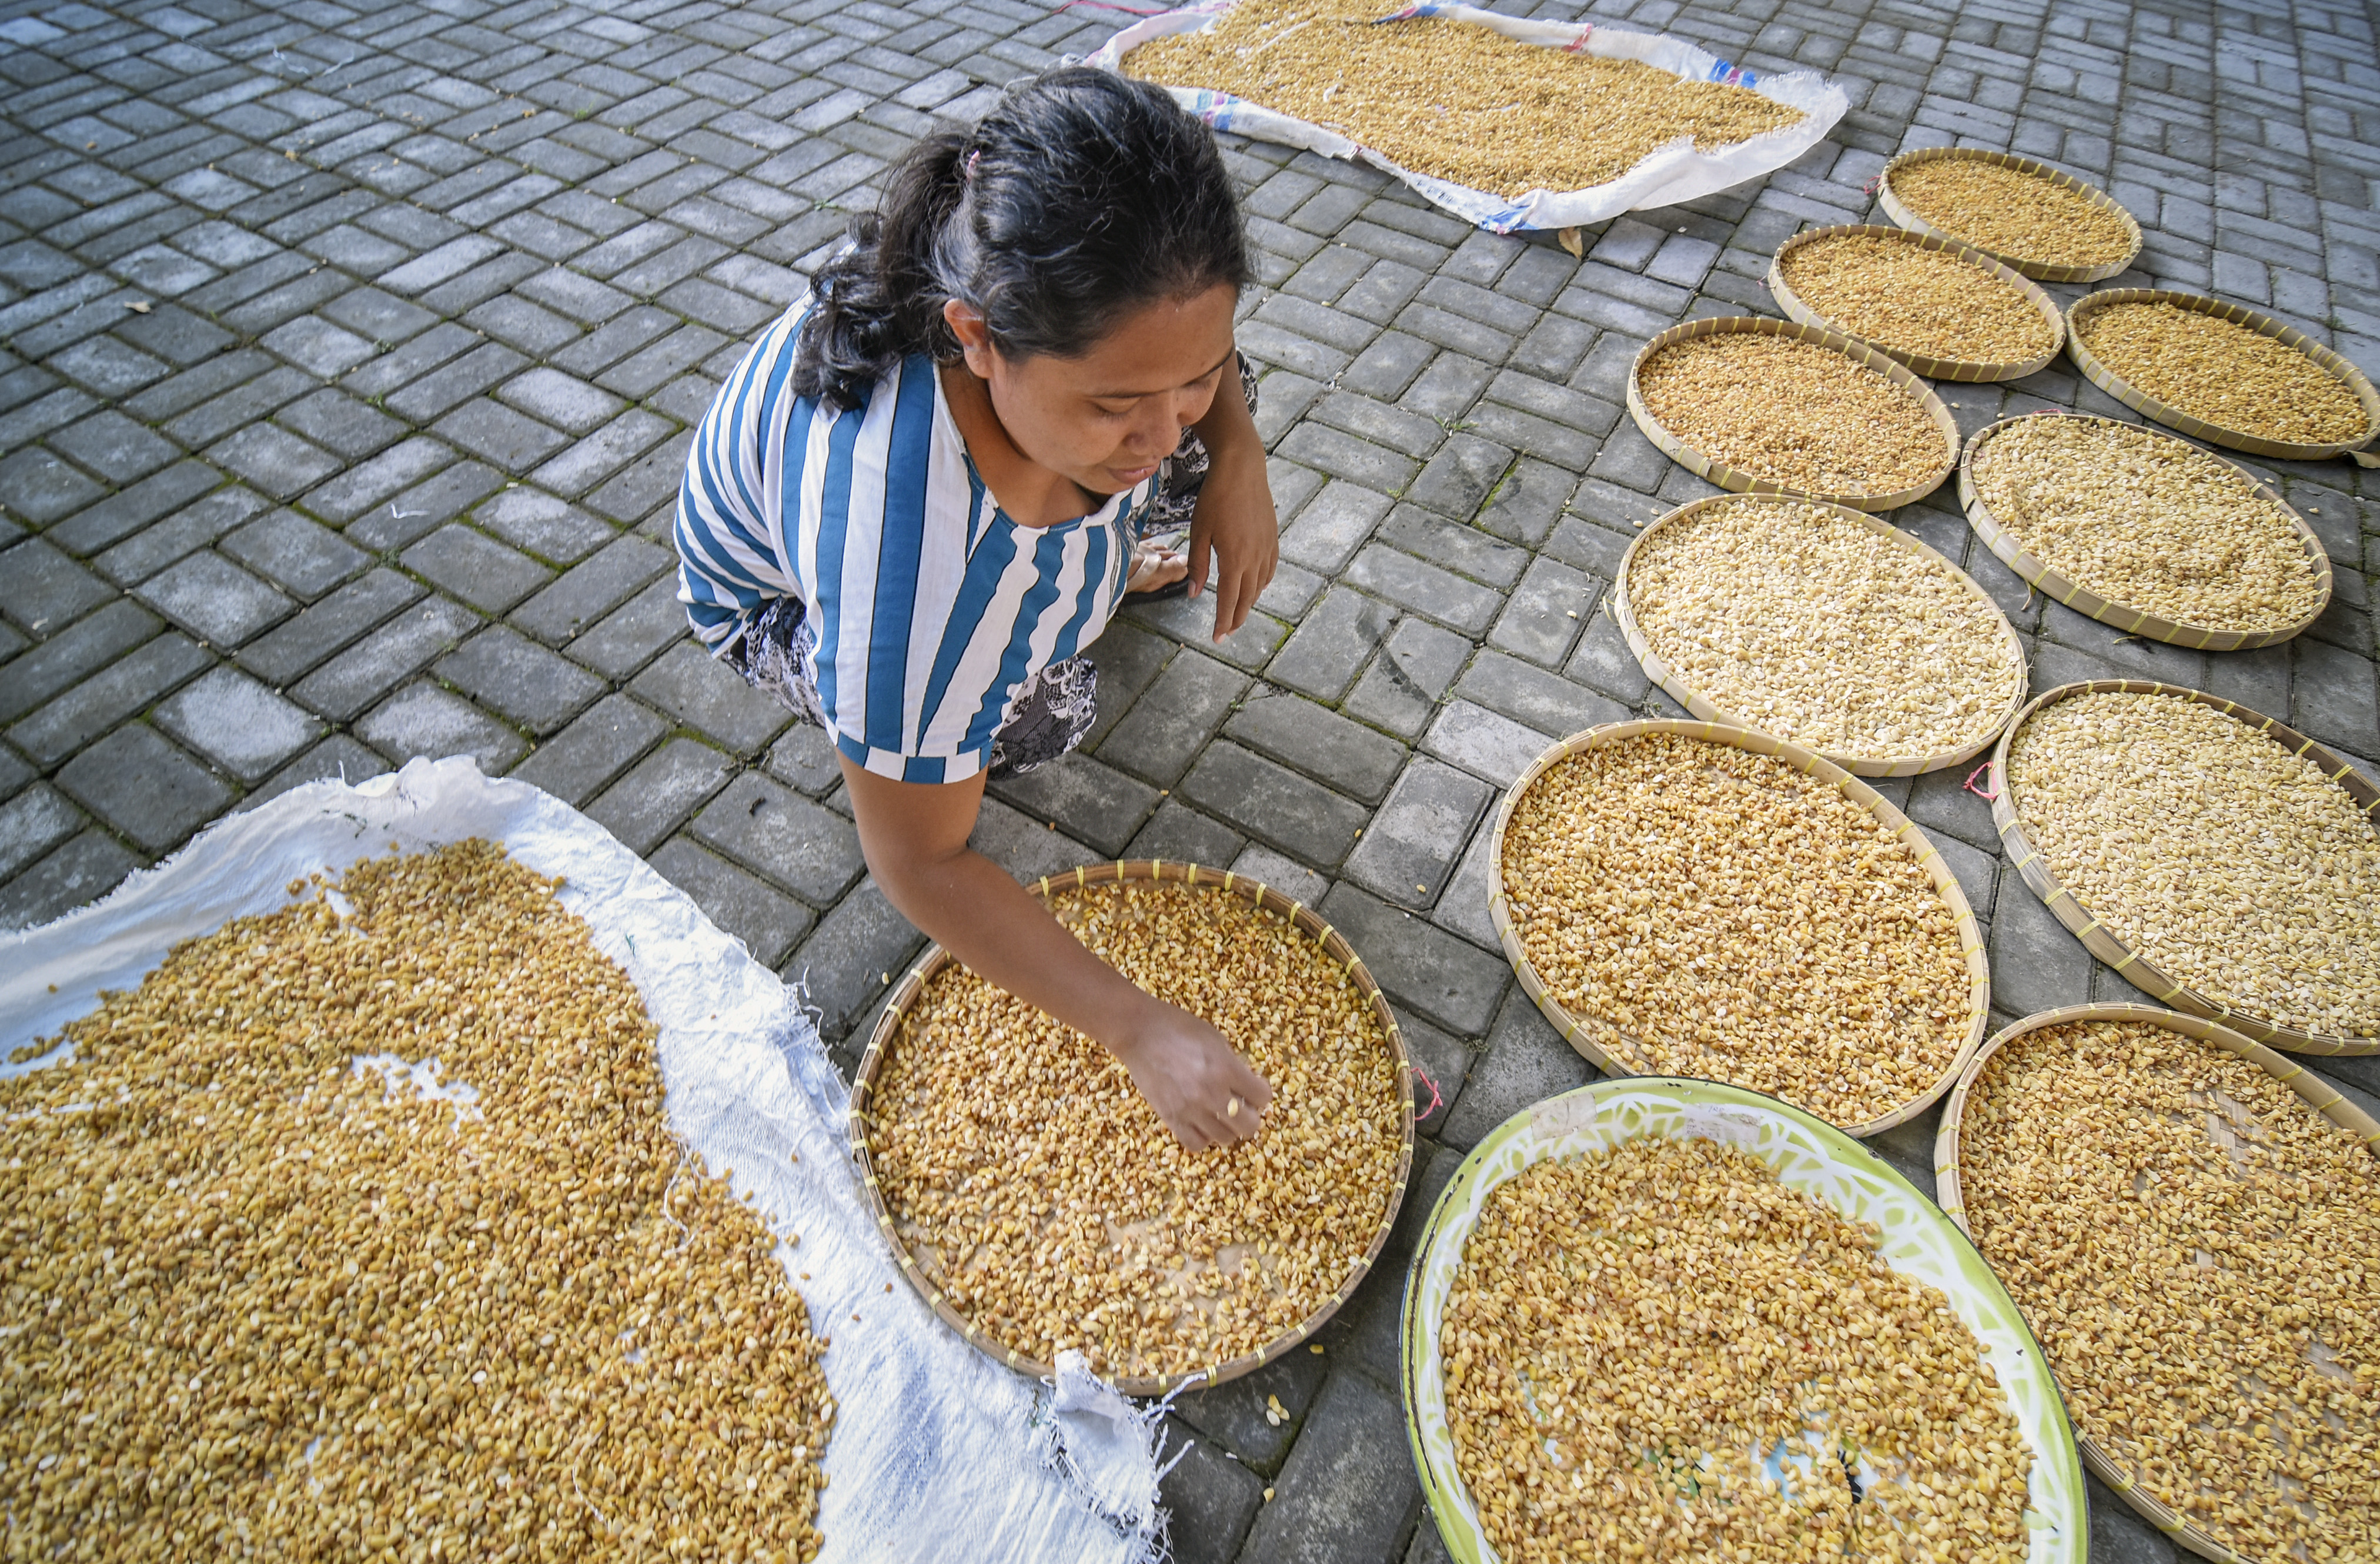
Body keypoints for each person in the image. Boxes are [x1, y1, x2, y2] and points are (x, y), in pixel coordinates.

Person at [673, 68, 1280, 1151]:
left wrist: (1235, 451)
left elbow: (1178, 357)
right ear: (978, 337)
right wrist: (1136, 1027)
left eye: (1193, 380)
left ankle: (1100, 543)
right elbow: (923, 865)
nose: (1161, 432)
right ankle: (998, 646)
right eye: (1114, 405)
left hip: (980, 492)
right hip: (764, 596)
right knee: (1048, 711)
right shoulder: (913, 579)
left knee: (1170, 438)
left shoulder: (1045, 290)